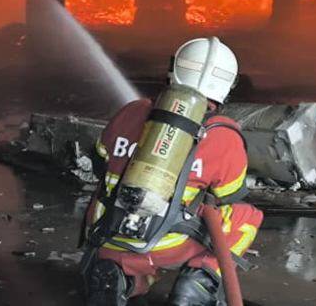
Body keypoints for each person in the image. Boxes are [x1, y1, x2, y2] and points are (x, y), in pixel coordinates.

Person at [82, 37, 263, 306]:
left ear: (174, 69)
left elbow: (100, 161)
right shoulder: (222, 133)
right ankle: (197, 284)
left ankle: (120, 275)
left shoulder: (132, 111)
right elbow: (229, 194)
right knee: (245, 215)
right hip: (170, 244)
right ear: (228, 84)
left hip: (106, 233)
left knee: (104, 192)